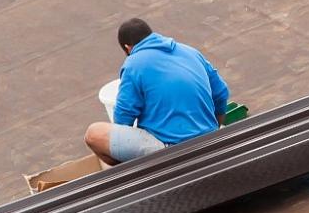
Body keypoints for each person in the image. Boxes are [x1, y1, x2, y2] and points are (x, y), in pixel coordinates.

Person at [84, 19, 232, 166]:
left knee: (94, 134)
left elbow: (123, 118)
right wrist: (213, 130)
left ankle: (134, 174)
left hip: (170, 149)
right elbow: (221, 93)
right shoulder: (190, 52)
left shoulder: (133, 64)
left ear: (128, 48)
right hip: (209, 137)